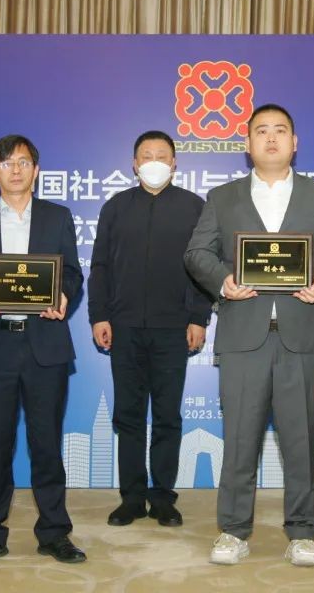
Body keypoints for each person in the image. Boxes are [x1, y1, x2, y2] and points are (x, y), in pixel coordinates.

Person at [184, 104, 314, 567]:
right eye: (262, 131)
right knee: (240, 441)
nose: (272, 138)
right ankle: (233, 530)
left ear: (295, 143)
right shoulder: (223, 197)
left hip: (302, 336)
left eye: (281, 131)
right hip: (244, 336)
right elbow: (197, 252)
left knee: (301, 441)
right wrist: (224, 281)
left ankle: (302, 532)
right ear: (247, 144)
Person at [0, 134, 87, 568]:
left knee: (46, 444)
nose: (15, 169)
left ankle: (54, 532)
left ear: (36, 170)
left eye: (23, 162)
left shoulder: (57, 217)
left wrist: (63, 295)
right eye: (7, 163)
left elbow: (72, 273)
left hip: (44, 344)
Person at [88, 130, 212, 528]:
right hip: (123, 326)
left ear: (174, 164)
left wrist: (198, 317)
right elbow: (100, 266)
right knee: (128, 414)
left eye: (162, 155)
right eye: (146, 155)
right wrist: (99, 315)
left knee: (166, 415)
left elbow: (204, 268)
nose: (154, 161)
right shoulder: (116, 207)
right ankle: (131, 497)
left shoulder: (194, 207)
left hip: (173, 328)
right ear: (134, 164)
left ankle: (162, 498)